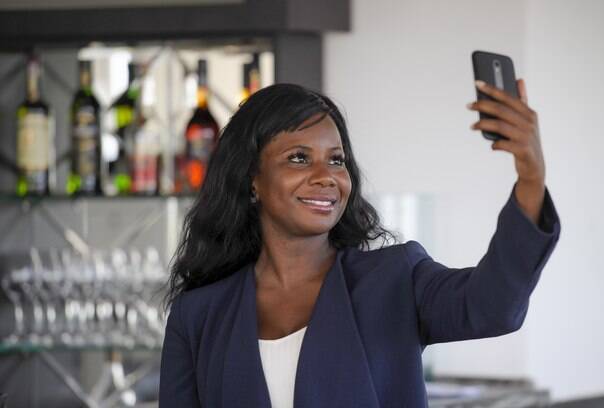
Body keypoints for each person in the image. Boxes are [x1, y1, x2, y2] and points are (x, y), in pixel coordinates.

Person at [159, 81, 560, 407]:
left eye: (336, 159)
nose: (326, 176)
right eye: (299, 158)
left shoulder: (395, 280)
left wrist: (530, 177)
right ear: (252, 181)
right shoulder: (199, 315)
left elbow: (494, 307)